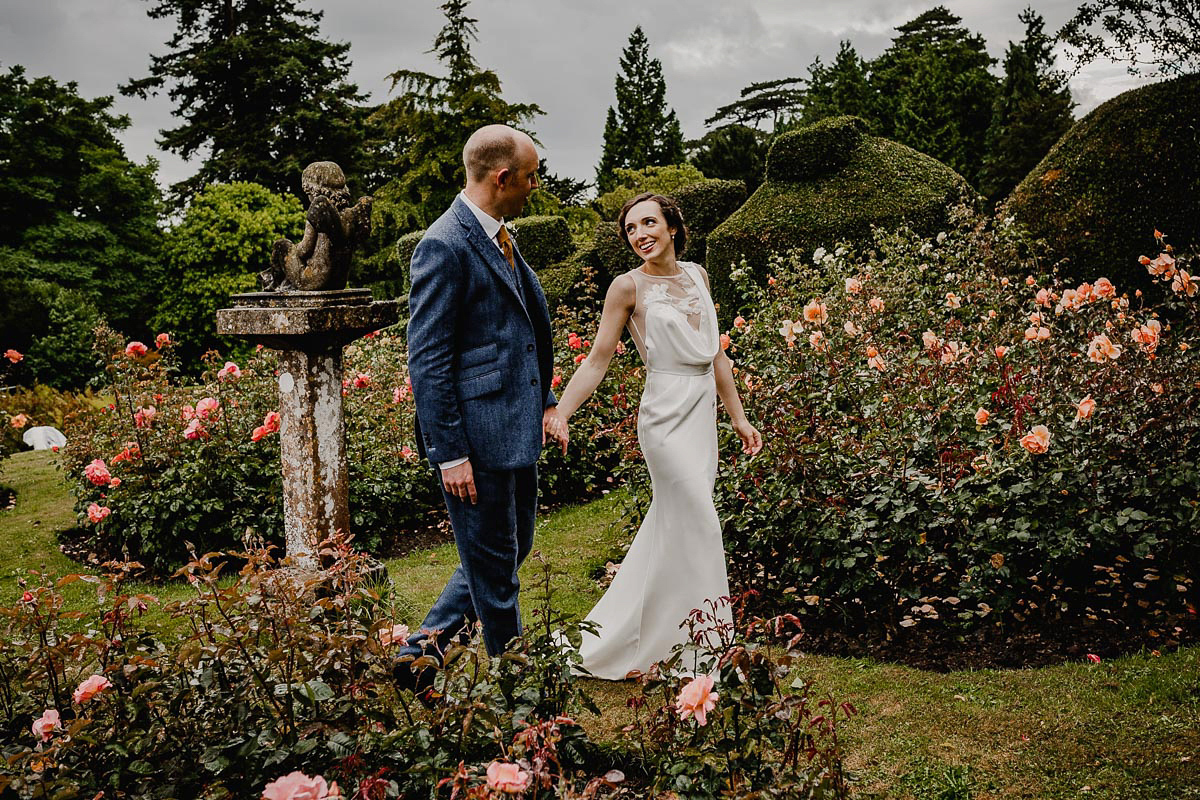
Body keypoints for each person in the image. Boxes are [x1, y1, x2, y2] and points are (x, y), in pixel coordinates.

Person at [547, 192, 763, 680]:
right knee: (700, 520)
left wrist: (739, 418)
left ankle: (674, 636)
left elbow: (717, 358)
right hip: (664, 416)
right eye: (631, 229)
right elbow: (598, 358)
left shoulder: (699, 276)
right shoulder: (626, 287)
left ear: (672, 227)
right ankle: (709, 647)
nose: (640, 234)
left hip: (701, 412)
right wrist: (562, 410)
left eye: (649, 223)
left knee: (678, 527)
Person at [398, 125, 567, 686]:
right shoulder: (444, 245)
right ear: (502, 177)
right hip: (475, 440)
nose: (535, 186)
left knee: (505, 553)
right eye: (531, 175)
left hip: (513, 429)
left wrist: (544, 401)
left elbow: (517, 332)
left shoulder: (500, 235)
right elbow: (427, 361)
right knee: (496, 578)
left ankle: (416, 655)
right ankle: (518, 689)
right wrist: (450, 454)